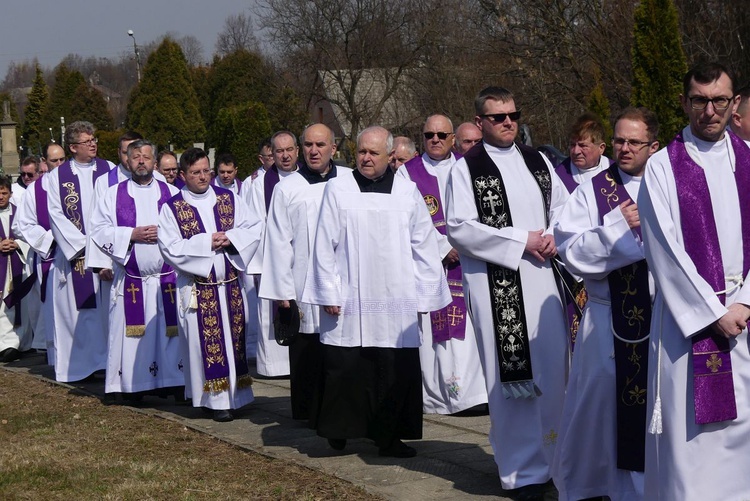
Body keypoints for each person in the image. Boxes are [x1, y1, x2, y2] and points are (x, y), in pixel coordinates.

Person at [445, 86, 569, 495]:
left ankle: (555, 463)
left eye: (513, 115)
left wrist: (552, 235)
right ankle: (521, 473)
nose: (508, 122)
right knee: (512, 382)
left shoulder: (539, 162)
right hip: (499, 289)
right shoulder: (466, 169)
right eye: (497, 117)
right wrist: (522, 241)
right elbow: (460, 228)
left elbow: (565, 210)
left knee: (552, 373)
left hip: (543, 284)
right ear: (480, 123)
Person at [302, 125, 450, 458]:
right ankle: (339, 430)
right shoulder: (338, 189)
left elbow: (424, 246)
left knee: (392, 366)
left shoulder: (406, 192)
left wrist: (425, 296)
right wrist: (328, 292)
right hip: (351, 294)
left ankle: (390, 436)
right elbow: (324, 244)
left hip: (395, 298)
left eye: (374, 153)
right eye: (361, 153)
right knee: (346, 363)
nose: (366, 159)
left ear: (389, 156)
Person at [638, 62, 750, 500]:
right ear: (685, 103)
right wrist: (714, 311)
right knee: (693, 441)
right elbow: (663, 249)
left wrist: (744, 303)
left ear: (733, 103)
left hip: (745, 317)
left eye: (719, 100)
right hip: (692, 331)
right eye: (700, 100)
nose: (709, 110)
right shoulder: (663, 166)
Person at [552, 107, 660, 500]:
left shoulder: (669, 183)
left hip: (663, 321)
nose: (624, 148)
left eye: (634, 142)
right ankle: (591, 485)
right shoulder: (593, 191)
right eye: (618, 140)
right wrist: (619, 226)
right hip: (607, 319)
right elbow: (572, 252)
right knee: (597, 408)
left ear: (654, 145)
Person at [158, 147, 262, 422]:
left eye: (206, 171)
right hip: (198, 289)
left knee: (234, 342)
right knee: (201, 345)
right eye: (195, 173)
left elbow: (253, 228)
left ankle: (238, 396)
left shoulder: (230, 198)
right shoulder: (173, 207)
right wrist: (206, 242)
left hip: (230, 285)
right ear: (183, 175)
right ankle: (214, 401)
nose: (203, 177)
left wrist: (231, 239)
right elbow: (170, 247)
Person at [259, 123, 350, 421]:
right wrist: (283, 292)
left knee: (343, 352)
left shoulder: (351, 181)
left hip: (346, 283)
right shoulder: (287, 188)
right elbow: (277, 243)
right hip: (304, 285)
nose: (314, 151)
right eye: (308, 145)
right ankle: (311, 412)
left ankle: (342, 412)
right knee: (309, 350)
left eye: (320, 145)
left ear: (333, 148)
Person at [397, 114, 487, 415]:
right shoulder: (407, 174)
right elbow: (406, 221)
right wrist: (443, 247)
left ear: (452, 139)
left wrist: (465, 243)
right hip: (431, 267)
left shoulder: (468, 168)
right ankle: (441, 396)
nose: (435, 140)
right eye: (429, 135)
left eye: (441, 135)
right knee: (435, 335)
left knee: (472, 332)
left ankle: (475, 394)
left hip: (469, 263)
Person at [90, 139, 184, 399]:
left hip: (167, 279)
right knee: (133, 337)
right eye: (135, 157)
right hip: (132, 279)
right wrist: (131, 234)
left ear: (155, 162)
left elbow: (185, 231)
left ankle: (174, 382)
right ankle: (133, 387)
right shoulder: (112, 194)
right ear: (127, 161)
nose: (141, 161)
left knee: (170, 334)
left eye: (146, 156)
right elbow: (98, 230)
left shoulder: (173, 194)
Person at [44, 121, 113, 382]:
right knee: (79, 314)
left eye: (94, 139)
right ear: (73, 147)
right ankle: (80, 367)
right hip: (77, 257)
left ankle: (107, 362)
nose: (94, 143)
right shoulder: (56, 178)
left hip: (107, 255)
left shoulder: (110, 171)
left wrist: (106, 248)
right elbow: (56, 215)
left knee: (106, 312)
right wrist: (85, 247)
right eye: (87, 141)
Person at [246, 131, 300, 377]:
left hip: (303, 258)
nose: (285, 155)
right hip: (272, 259)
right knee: (273, 310)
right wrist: (259, 268)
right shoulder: (260, 184)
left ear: (297, 150)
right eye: (279, 151)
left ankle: (300, 359)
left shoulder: (306, 179)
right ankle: (276, 367)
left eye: (289, 150)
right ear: (272, 155)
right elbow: (254, 226)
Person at [13, 143, 63, 365]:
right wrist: (53, 237)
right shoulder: (35, 189)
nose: (59, 165)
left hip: (79, 258)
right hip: (50, 256)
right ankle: (54, 353)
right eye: (54, 161)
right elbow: (24, 224)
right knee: (51, 306)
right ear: (45, 161)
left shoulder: (76, 186)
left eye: (63, 159)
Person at [0, 175, 30, 362]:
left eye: (4, 193)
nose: (1, 196)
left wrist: (17, 244)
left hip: (18, 266)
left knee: (20, 304)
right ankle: (4, 344)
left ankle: (19, 343)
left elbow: (29, 237)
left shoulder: (20, 213)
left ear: (10, 193)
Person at [554, 113, 611, 193]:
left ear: (601, 148)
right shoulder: (558, 177)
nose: (576, 151)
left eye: (582, 145)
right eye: (572, 145)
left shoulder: (616, 173)